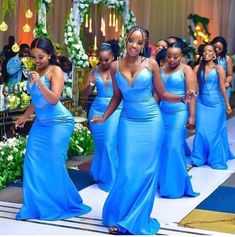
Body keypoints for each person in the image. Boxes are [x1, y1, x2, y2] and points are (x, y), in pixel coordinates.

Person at [92, 26, 196, 235]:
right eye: (132, 40)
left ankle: (135, 218)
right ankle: (120, 215)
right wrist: (104, 117)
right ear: (126, 40)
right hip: (128, 121)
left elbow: (163, 93)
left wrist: (182, 98)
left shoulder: (152, 65)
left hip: (151, 120)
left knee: (147, 171)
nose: (135, 46)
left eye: (140, 43)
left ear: (144, 45)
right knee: (128, 169)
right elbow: (116, 96)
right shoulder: (114, 66)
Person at [15, 37, 91, 220]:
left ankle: (58, 203)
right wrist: (25, 116)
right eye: (34, 57)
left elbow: (54, 99)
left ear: (49, 54)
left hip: (59, 123)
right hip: (41, 123)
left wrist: (40, 83)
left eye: (40, 56)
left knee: (53, 163)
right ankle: (35, 205)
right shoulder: (35, 71)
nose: (37, 60)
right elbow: (37, 100)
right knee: (32, 161)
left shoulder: (55, 70)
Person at [157, 42, 199, 198]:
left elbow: (192, 95)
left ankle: (176, 187)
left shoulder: (186, 70)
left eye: (176, 56)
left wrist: (192, 116)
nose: (172, 59)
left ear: (182, 56)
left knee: (174, 146)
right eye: (169, 56)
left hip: (179, 113)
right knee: (163, 147)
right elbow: (157, 93)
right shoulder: (161, 70)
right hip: (162, 112)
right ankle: (164, 182)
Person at [83, 40, 121, 192]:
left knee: (109, 142)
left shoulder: (119, 69)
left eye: (107, 59)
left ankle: (112, 178)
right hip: (97, 109)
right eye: (101, 59)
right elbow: (84, 94)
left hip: (116, 108)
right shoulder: (94, 70)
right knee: (100, 145)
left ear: (113, 57)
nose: (104, 62)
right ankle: (100, 173)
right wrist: (90, 84)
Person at [191, 43, 234, 170]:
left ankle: (216, 159)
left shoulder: (219, 68)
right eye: (204, 51)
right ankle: (198, 158)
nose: (206, 53)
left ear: (214, 54)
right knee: (200, 131)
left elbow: (222, 87)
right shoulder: (197, 68)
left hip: (216, 104)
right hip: (201, 103)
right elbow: (195, 87)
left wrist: (227, 104)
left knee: (214, 132)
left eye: (210, 51)